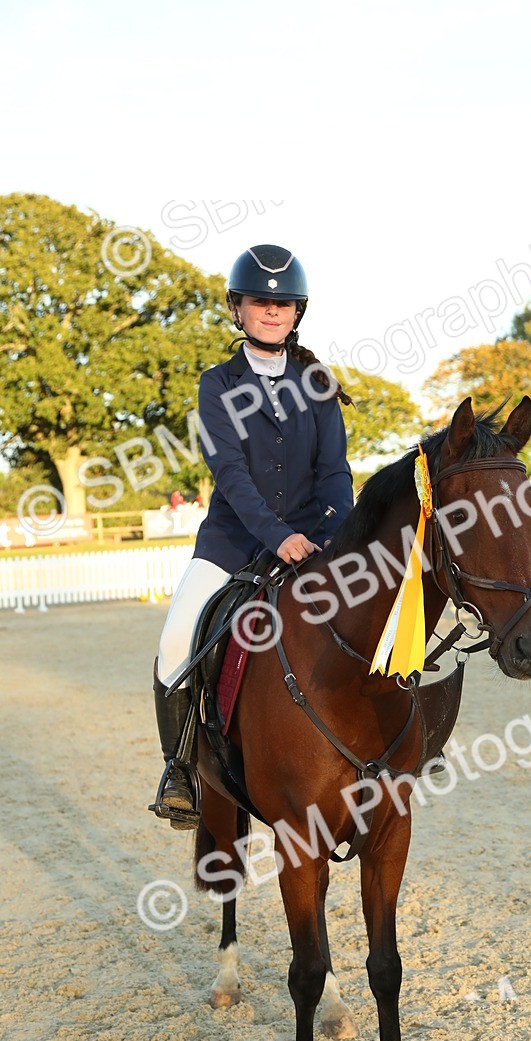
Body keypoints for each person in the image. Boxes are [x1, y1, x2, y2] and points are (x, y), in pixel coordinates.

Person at [152, 244, 354, 829]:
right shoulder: (217, 385)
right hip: (234, 543)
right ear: (237, 309)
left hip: (316, 540)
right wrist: (278, 535)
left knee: (381, 603)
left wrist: (338, 535)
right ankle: (180, 771)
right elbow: (232, 477)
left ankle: (410, 743)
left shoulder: (318, 382)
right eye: (260, 301)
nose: (272, 311)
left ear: (298, 312)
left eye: (283, 303)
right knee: (173, 644)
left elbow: (335, 471)